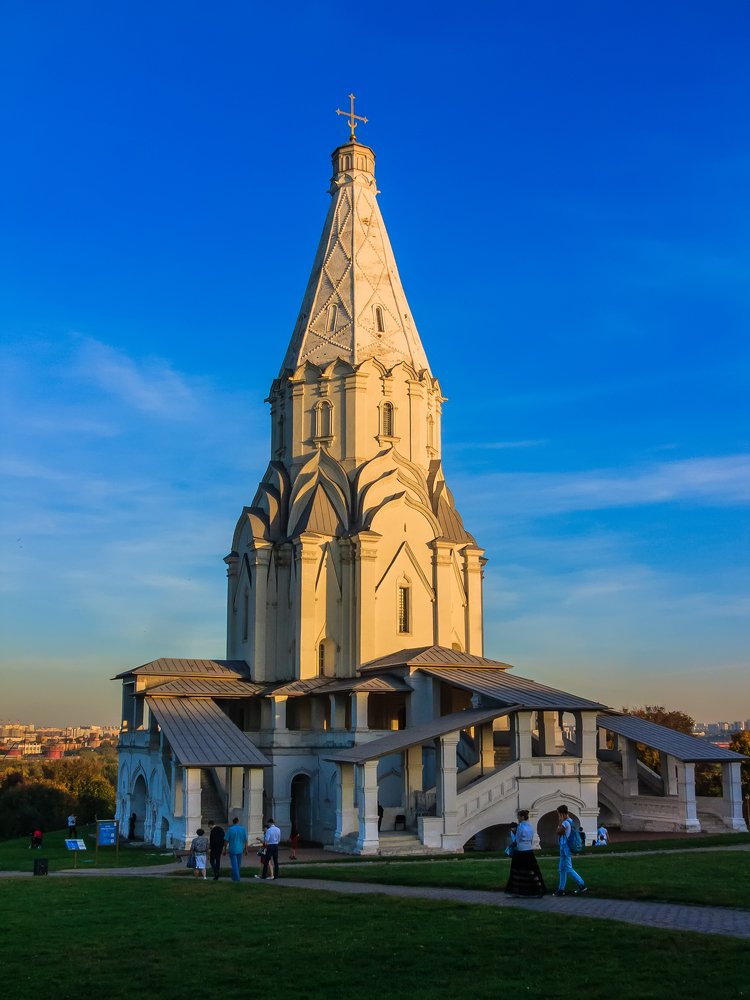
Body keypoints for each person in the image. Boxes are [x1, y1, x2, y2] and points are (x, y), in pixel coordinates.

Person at [504, 810, 547, 897]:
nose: (518, 818)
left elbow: (517, 839)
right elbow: (531, 838)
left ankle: (517, 891)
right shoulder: (530, 826)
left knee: (518, 872)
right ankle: (538, 889)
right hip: (529, 850)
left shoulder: (520, 826)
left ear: (522, 817)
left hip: (521, 851)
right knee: (532, 871)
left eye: (519, 816)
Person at [555, 804, 587, 896]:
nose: (558, 816)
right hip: (564, 847)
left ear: (562, 813)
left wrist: (560, 822)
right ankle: (561, 889)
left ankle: (582, 884)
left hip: (566, 848)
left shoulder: (565, 823)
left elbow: (558, 832)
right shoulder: (571, 821)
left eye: (558, 814)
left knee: (568, 868)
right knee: (562, 869)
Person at [223, 816, 248, 882]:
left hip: (233, 848)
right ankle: (235, 877)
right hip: (240, 849)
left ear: (233, 822)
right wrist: (246, 849)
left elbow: (226, 841)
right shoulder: (242, 829)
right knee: (238, 864)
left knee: (234, 864)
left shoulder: (230, 829)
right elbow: (245, 840)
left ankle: (236, 878)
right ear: (238, 821)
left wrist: (224, 849)